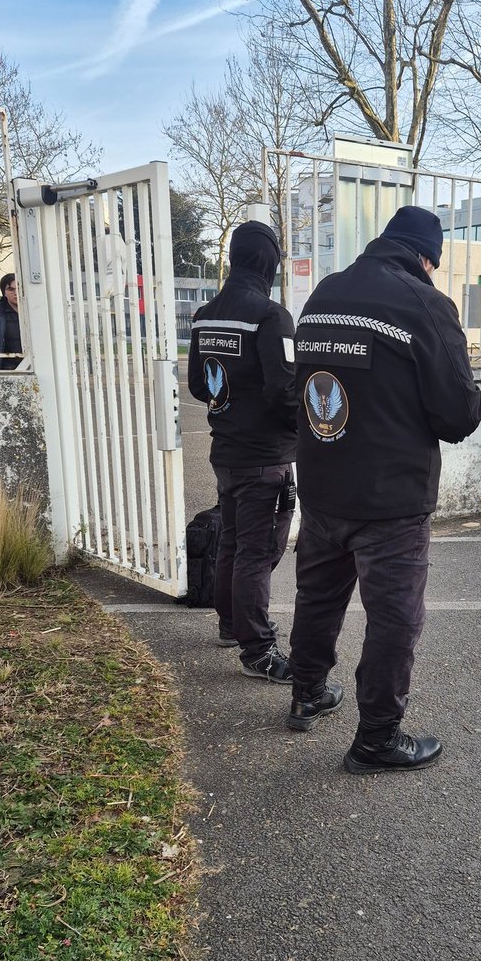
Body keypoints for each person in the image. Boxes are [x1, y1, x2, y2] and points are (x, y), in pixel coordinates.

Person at [287, 205, 481, 773]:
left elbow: (303, 387)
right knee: (393, 617)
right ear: (427, 258)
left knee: (318, 597)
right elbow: (457, 414)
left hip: (322, 485)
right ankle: (376, 738)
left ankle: (307, 692)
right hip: (391, 500)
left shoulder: (323, 295)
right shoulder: (425, 305)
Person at [188, 219, 297, 682]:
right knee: (258, 550)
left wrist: (231, 402)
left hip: (226, 451)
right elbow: (286, 392)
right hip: (263, 457)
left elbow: (199, 384)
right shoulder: (271, 317)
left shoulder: (204, 315)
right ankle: (258, 650)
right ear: (270, 261)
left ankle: (231, 625)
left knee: (233, 543)